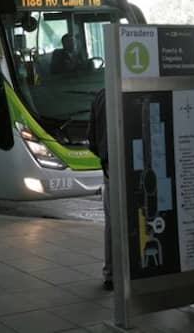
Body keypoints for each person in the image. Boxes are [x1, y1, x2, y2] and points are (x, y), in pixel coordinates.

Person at [87, 88, 112, 290]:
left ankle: (111, 273)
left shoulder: (102, 95)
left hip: (111, 165)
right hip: (144, 166)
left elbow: (92, 140)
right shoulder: (145, 90)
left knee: (113, 221)